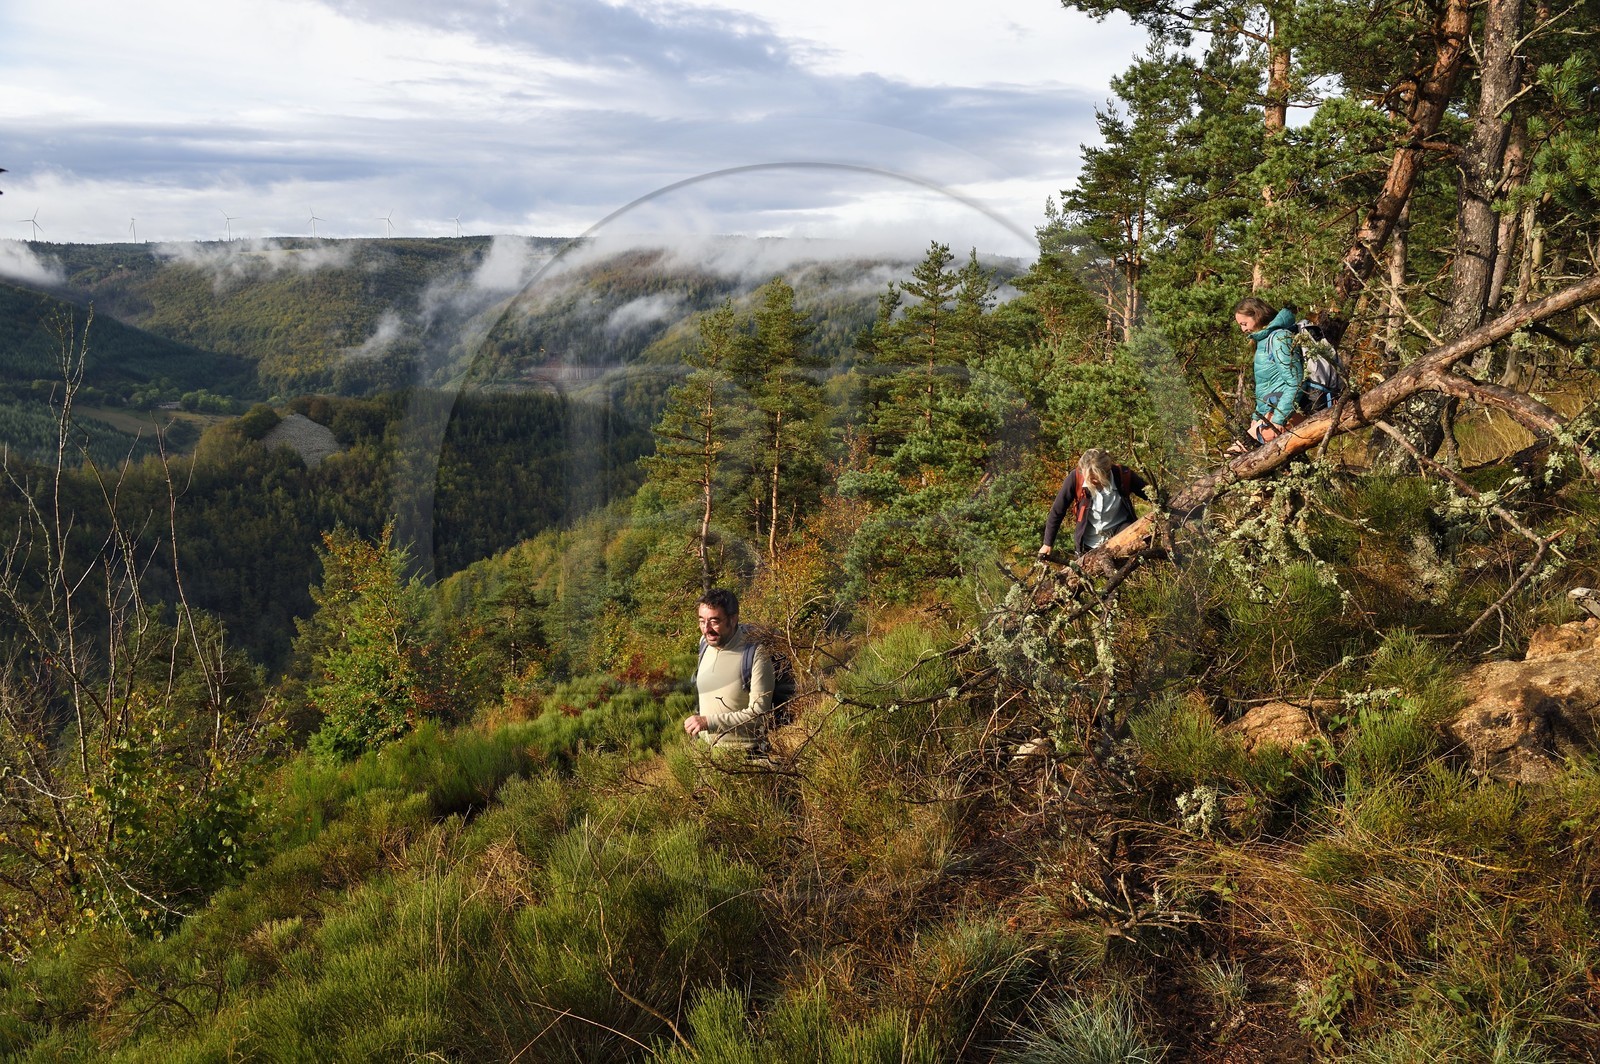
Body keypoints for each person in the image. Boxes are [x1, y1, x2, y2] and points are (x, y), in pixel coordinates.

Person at [682, 588, 774, 756]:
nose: (706, 629)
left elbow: (759, 715)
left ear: (733, 619)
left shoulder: (756, 654)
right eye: (702, 621)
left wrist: (708, 722)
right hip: (708, 754)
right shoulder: (704, 644)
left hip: (745, 758)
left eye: (714, 621)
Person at [1038, 448, 1149, 558]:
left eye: (1094, 478)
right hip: (1087, 545)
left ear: (1107, 471)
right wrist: (1047, 543)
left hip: (1122, 539)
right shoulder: (1075, 478)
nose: (1090, 481)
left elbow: (1150, 493)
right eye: (1088, 477)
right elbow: (1057, 511)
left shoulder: (1122, 475)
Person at [1231, 296, 1304, 452]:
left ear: (1256, 315)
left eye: (1244, 324)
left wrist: (1279, 419)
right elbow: (1268, 384)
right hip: (1274, 412)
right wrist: (1257, 417)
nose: (1243, 330)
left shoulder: (1279, 338)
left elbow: (1295, 382)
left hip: (1287, 413)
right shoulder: (1264, 342)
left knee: (1237, 457)